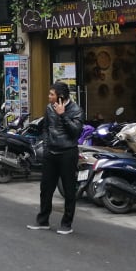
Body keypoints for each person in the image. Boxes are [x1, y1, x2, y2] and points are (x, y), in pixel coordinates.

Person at [27, 82, 84, 235]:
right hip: (50, 153)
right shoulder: (49, 108)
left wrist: (63, 114)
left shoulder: (76, 110)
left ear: (61, 96)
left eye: (52, 94)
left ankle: (66, 224)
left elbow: (75, 133)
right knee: (45, 189)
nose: (49, 97)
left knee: (69, 190)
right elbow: (46, 128)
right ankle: (43, 221)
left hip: (67, 153)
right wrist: (46, 146)